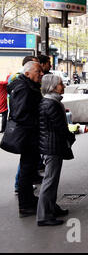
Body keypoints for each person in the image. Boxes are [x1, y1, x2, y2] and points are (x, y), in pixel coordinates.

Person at [37, 74, 75, 226]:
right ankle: (44, 216)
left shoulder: (50, 102)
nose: (63, 86)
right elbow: (60, 127)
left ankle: (51, 208)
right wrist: (70, 136)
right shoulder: (51, 104)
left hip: (51, 145)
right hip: (52, 146)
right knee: (50, 180)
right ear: (52, 87)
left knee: (52, 179)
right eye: (60, 84)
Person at [7, 61, 44, 217]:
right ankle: (25, 205)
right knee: (26, 169)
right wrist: (37, 123)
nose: (41, 74)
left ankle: (29, 199)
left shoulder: (24, 85)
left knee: (27, 169)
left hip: (29, 134)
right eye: (38, 71)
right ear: (27, 73)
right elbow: (21, 113)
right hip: (28, 135)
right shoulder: (24, 88)